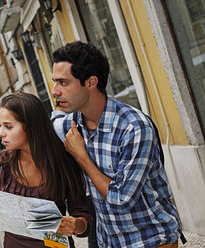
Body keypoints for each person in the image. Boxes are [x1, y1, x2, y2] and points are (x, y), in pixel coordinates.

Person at [51, 41, 182, 247]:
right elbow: (46, 126)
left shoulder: (134, 128)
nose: (54, 91)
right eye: (54, 82)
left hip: (150, 241)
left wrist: (81, 156)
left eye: (63, 83)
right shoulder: (71, 124)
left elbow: (121, 200)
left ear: (91, 82)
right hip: (110, 242)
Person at [0, 93, 91, 248]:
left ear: (30, 126)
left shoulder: (63, 162)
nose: (1, 133)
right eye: (1, 126)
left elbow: (84, 220)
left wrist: (75, 224)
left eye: (8, 126)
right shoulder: (0, 167)